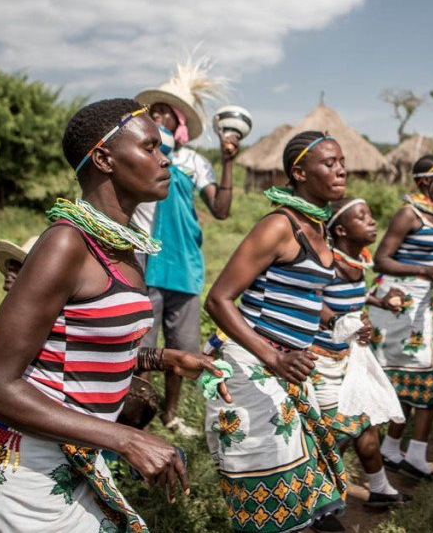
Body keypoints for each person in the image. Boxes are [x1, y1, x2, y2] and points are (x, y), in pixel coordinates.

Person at [0, 99, 230, 532]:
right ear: (103, 158)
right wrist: (126, 438)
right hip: (21, 472)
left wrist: (163, 359)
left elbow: (80, 347)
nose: (164, 158)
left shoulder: (122, 246)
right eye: (150, 147)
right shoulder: (66, 245)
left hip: (74, 458)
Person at [204, 131, 348, 533]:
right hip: (252, 364)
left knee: (304, 489)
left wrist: (333, 316)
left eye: (341, 162)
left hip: (287, 367)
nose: (340, 170)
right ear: (299, 173)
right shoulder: (278, 226)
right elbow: (218, 300)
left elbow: (295, 288)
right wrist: (274, 357)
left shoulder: (320, 227)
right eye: (329, 163)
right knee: (274, 492)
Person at [132, 60, 239, 437]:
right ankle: (135, 419)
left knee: (182, 350)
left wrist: (227, 163)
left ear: (180, 123)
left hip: (185, 266)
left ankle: (171, 414)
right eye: (153, 111)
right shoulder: (141, 156)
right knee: (141, 349)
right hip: (143, 262)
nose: (158, 116)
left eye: (166, 112)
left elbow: (221, 210)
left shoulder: (193, 162)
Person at [311, 197, 409, 508]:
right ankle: (319, 504)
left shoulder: (357, 261)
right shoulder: (328, 265)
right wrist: (343, 322)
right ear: (340, 230)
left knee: (365, 426)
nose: (372, 221)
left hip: (350, 360)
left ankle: (380, 489)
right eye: (362, 217)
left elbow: (354, 299)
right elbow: (313, 303)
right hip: (321, 362)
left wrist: (380, 302)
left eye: (370, 214)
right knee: (333, 435)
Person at [370, 155, 433, 481]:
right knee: (430, 375)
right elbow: (381, 260)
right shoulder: (409, 213)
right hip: (397, 305)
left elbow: (429, 254)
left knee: (412, 378)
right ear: (423, 182)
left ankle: (393, 448)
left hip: (422, 303)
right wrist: (424, 270)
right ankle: (414, 453)